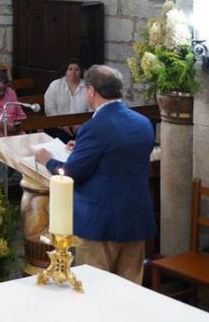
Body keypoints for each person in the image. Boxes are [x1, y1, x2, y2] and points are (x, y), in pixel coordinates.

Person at [35, 65, 156, 284]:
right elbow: (118, 157)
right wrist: (82, 147)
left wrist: (48, 160)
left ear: (90, 91)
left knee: (96, 290)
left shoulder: (95, 127)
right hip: (135, 217)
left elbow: (71, 173)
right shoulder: (143, 123)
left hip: (100, 221)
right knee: (130, 289)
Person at [44, 59, 88, 142]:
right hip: (57, 125)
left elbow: (92, 108)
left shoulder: (87, 87)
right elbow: (50, 109)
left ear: (81, 72)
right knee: (61, 139)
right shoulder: (55, 85)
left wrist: (81, 124)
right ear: (66, 71)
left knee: (84, 138)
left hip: (81, 126)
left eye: (77, 69)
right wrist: (62, 124)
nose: (73, 72)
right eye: (70, 69)